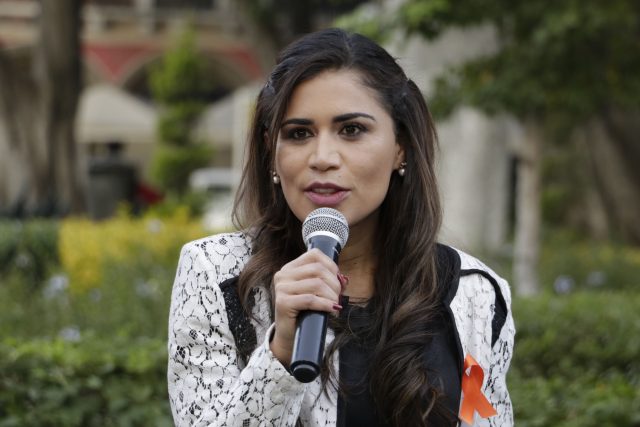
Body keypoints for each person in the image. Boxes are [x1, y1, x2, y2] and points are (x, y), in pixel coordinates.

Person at [168, 28, 514, 427]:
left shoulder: (475, 293)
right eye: (298, 134)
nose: (323, 158)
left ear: (400, 146)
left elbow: (484, 418)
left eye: (351, 130)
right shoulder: (216, 274)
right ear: (271, 151)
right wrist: (281, 350)